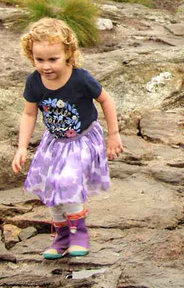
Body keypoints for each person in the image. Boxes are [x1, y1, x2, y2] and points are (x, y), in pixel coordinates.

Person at [11, 18, 124, 260]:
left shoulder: (80, 79)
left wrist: (113, 134)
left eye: (53, 59)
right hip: (54, 143)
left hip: (82, 140)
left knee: (67, 182)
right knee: (50, 188)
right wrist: (22, 147)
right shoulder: (34, 82)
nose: (46, 66)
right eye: (39, 60)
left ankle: (79, 232)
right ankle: (61, 235)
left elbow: (106, 100)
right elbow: (29, 113)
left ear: (68, 54)